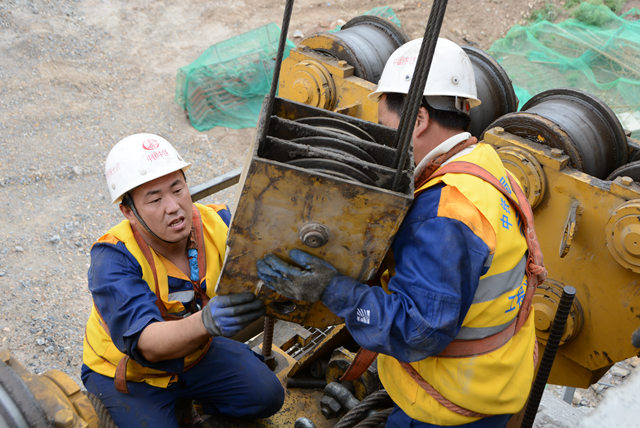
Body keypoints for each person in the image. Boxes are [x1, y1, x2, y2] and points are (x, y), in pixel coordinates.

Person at [256, 38, 545, 427]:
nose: (382, 139)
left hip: (446, 405)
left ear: (419, 119)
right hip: (498, 378)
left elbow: (416, 332)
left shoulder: (445, 215)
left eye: (385, 126)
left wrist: (332, 290)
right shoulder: (487, 167)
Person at [82, 133, 284, 427]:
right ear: (129, 211)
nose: (173, 206)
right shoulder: (113, 257)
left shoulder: (219, 224)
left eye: (177, 189)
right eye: (155, 199)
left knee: (266, 396)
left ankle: (198, 404)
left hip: (195, 355)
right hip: (131, 375)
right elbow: (147, 343)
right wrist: (205, 322)